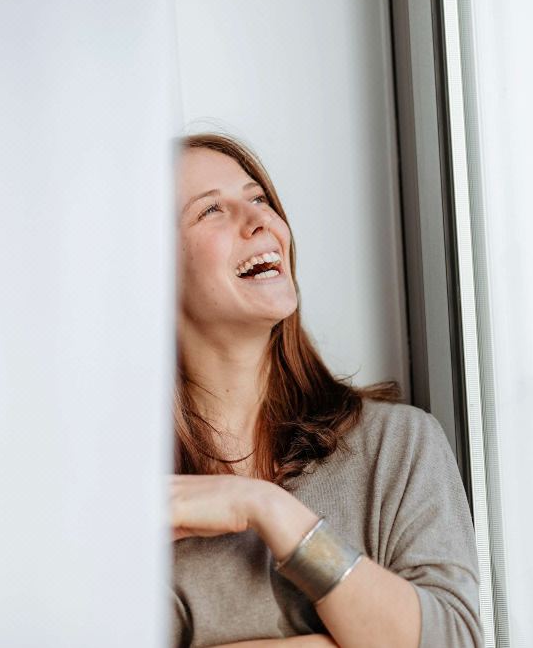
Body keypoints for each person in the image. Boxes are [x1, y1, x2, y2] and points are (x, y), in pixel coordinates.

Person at [170, 132, 483, 648]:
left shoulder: (397, 446)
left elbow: (454, 641)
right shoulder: (136, 495)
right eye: (211, 210)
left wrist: (269, 510)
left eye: (258, 198)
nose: (260, 221)